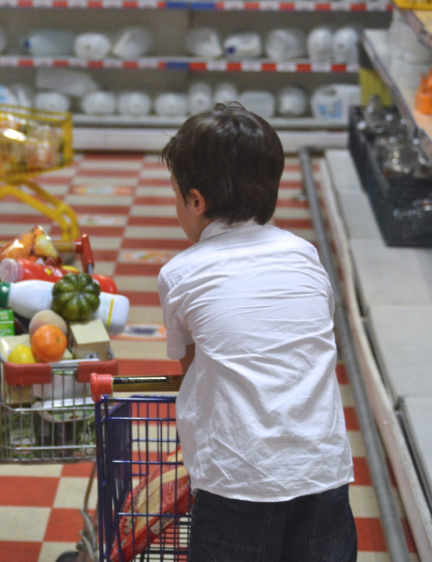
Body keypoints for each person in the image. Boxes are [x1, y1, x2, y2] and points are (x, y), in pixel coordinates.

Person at [157, 103, 356, 562]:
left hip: (236, 482)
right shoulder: (305, 254)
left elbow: (190, 367)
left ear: (196, 200)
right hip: (323, 473)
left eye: (175, 196)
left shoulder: (181, 273)